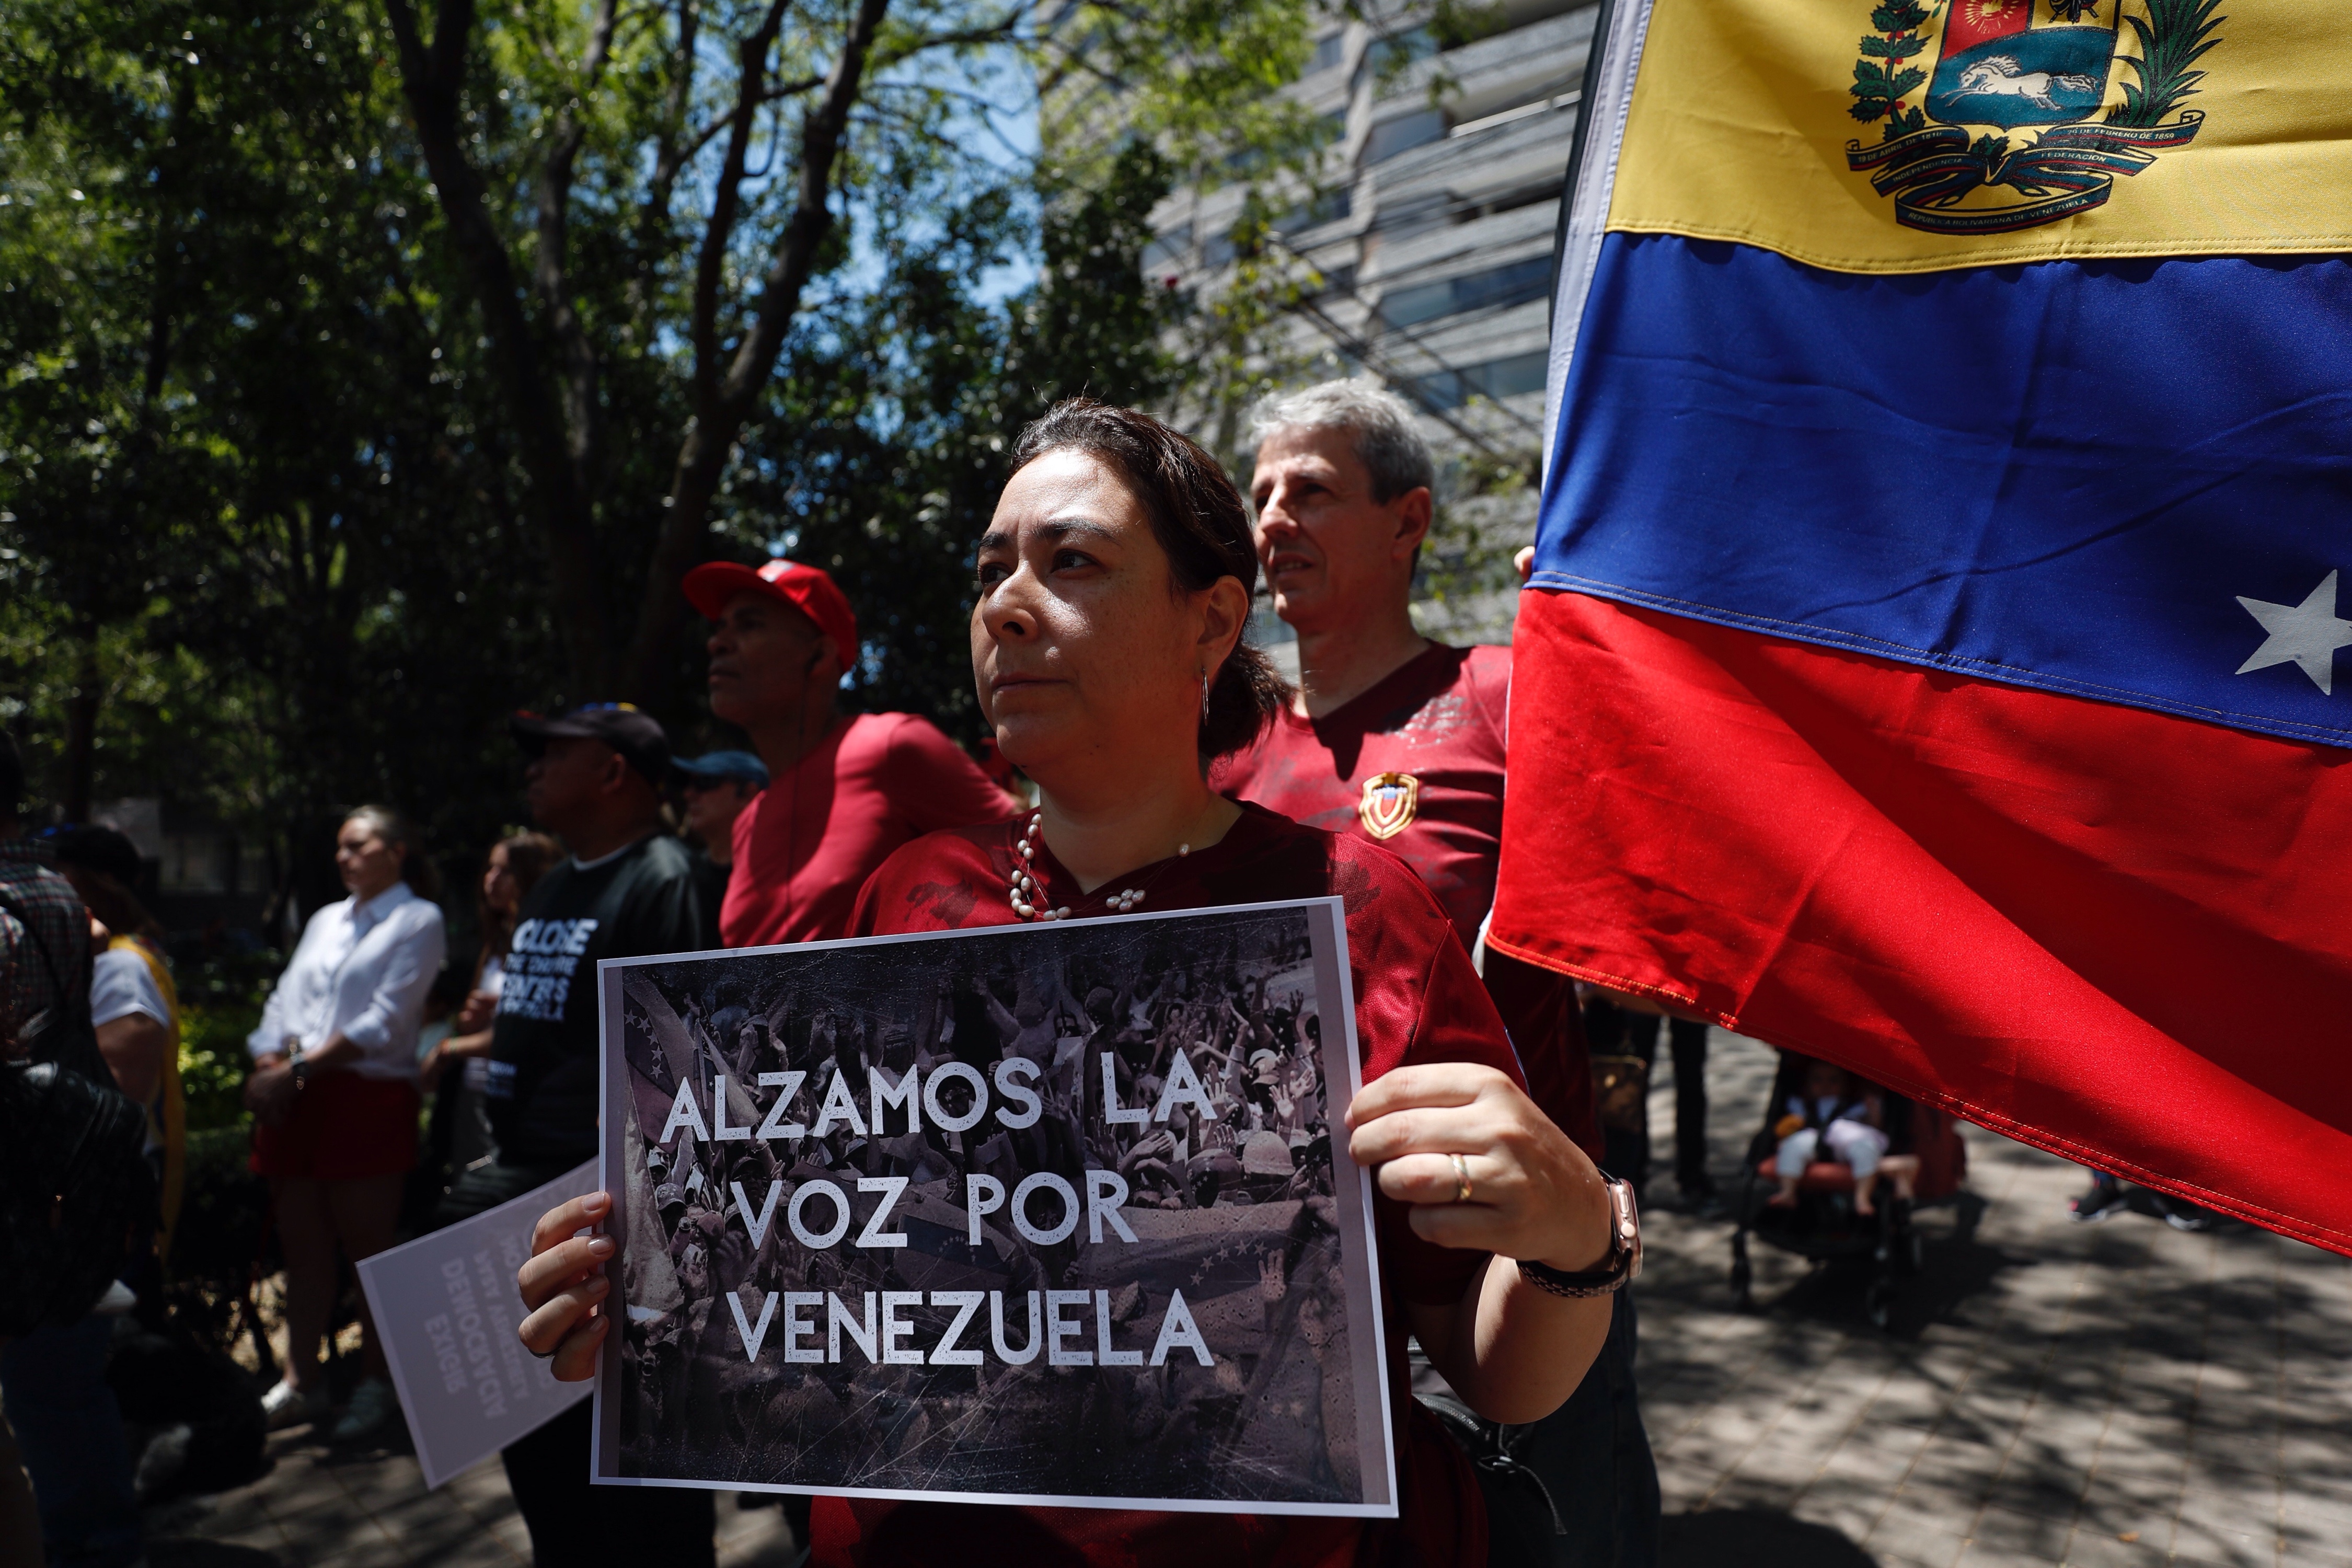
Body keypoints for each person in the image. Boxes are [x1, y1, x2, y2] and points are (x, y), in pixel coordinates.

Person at [515, 401, 1633, 1567]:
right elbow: (818, 1275)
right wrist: (661, 1295)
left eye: (1073, 562)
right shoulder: (910, 895)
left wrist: (1573, 1238)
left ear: (1210, 620)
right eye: (992, 569)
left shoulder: (1353, 913)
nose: (1005, 605)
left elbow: (1498, 1368)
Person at [1216, 379, 1659, 1564]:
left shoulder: (1502, 695)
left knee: (1571, 1532)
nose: (1269, 518)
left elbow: (1655, 876)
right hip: (1299, 1283)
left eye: (1307, 488)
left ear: (1406, 519)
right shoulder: (1218, 746)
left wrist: (1618, 653)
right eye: (1259, 493)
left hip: (1523, 1256)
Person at [442, 703, 716, 1565]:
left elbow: (678, 1065)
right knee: (549, 1485)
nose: (531, 770)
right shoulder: (558, 883)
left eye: (552, 755)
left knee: (633, 1499)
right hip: (520, 1208)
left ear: (612, 774)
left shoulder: (666, 879)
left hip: (602, 1225)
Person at [684, 556, 1021, 947]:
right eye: (720, 627)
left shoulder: (892, 746)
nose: (717, 642)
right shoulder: (748, 823)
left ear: (820, 655)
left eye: (750, 625)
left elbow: (1035, 856)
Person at [246, 805, 447, 1443]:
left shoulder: (419, 918)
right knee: (302, 1253)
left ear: (397, 851)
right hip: (301, 1095)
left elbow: (384, 1022)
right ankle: (303, 1382)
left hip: (364, 1098)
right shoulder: (326, 919)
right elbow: (282, 1000)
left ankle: (377, 1384)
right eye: (340, 846)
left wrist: (292, 1070)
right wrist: (271, 1061)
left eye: (357, 845)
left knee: (371, 1256)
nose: (343, 856)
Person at [0, 737, 146, 1568]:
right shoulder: (55, 889)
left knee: (45, 1389)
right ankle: (99, 1538)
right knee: (56, 1380)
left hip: (18, 1171)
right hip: (57, 1168)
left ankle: (93, 1543)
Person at [49, 825, 188, 1272]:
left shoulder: (120, 966)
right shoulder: (128, 955)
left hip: (96, 1191)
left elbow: (116, 1097)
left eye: (57, 876)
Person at [421, 831, 562, 1175]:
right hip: (475, 1091)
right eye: (490, 869)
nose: (491, 880)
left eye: (506, 872)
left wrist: (449, 1047)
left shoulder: (548, 943)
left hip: (520, 1097)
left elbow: (528, 1028)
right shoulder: (495, 942)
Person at [1770, 1058, 1898, 1215]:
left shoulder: (1856, 1105)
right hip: (1813, 1137)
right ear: (1807, 1084)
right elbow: (1788, 1127)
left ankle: (1862, 1198)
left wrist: (1874, 1113)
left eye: (1834, 1080)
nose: (1826, 1085)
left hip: (1849, 1139)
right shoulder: (1801, 1105)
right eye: (1818, 1080)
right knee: (1793, 1146)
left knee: (1866, 1147)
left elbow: (1874, 1126)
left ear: (1846, 1084)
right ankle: (1787, 1193)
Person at [669, 749, 767, 937]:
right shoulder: (681, 877)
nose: (689, 794)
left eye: (705, 783)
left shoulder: (774, 876)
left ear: (749, 794)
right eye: (687, 784)